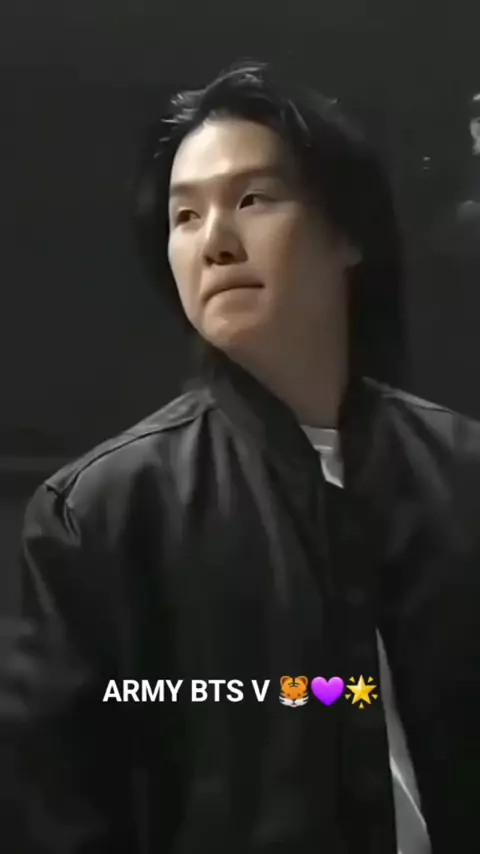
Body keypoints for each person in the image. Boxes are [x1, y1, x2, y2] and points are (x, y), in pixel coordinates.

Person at [1, 58, 479, 853]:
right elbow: (58, 808)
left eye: (253, 199)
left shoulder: (465, 474)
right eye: (185, 216)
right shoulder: (103, 510)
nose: (215, 242)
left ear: (347, 232)